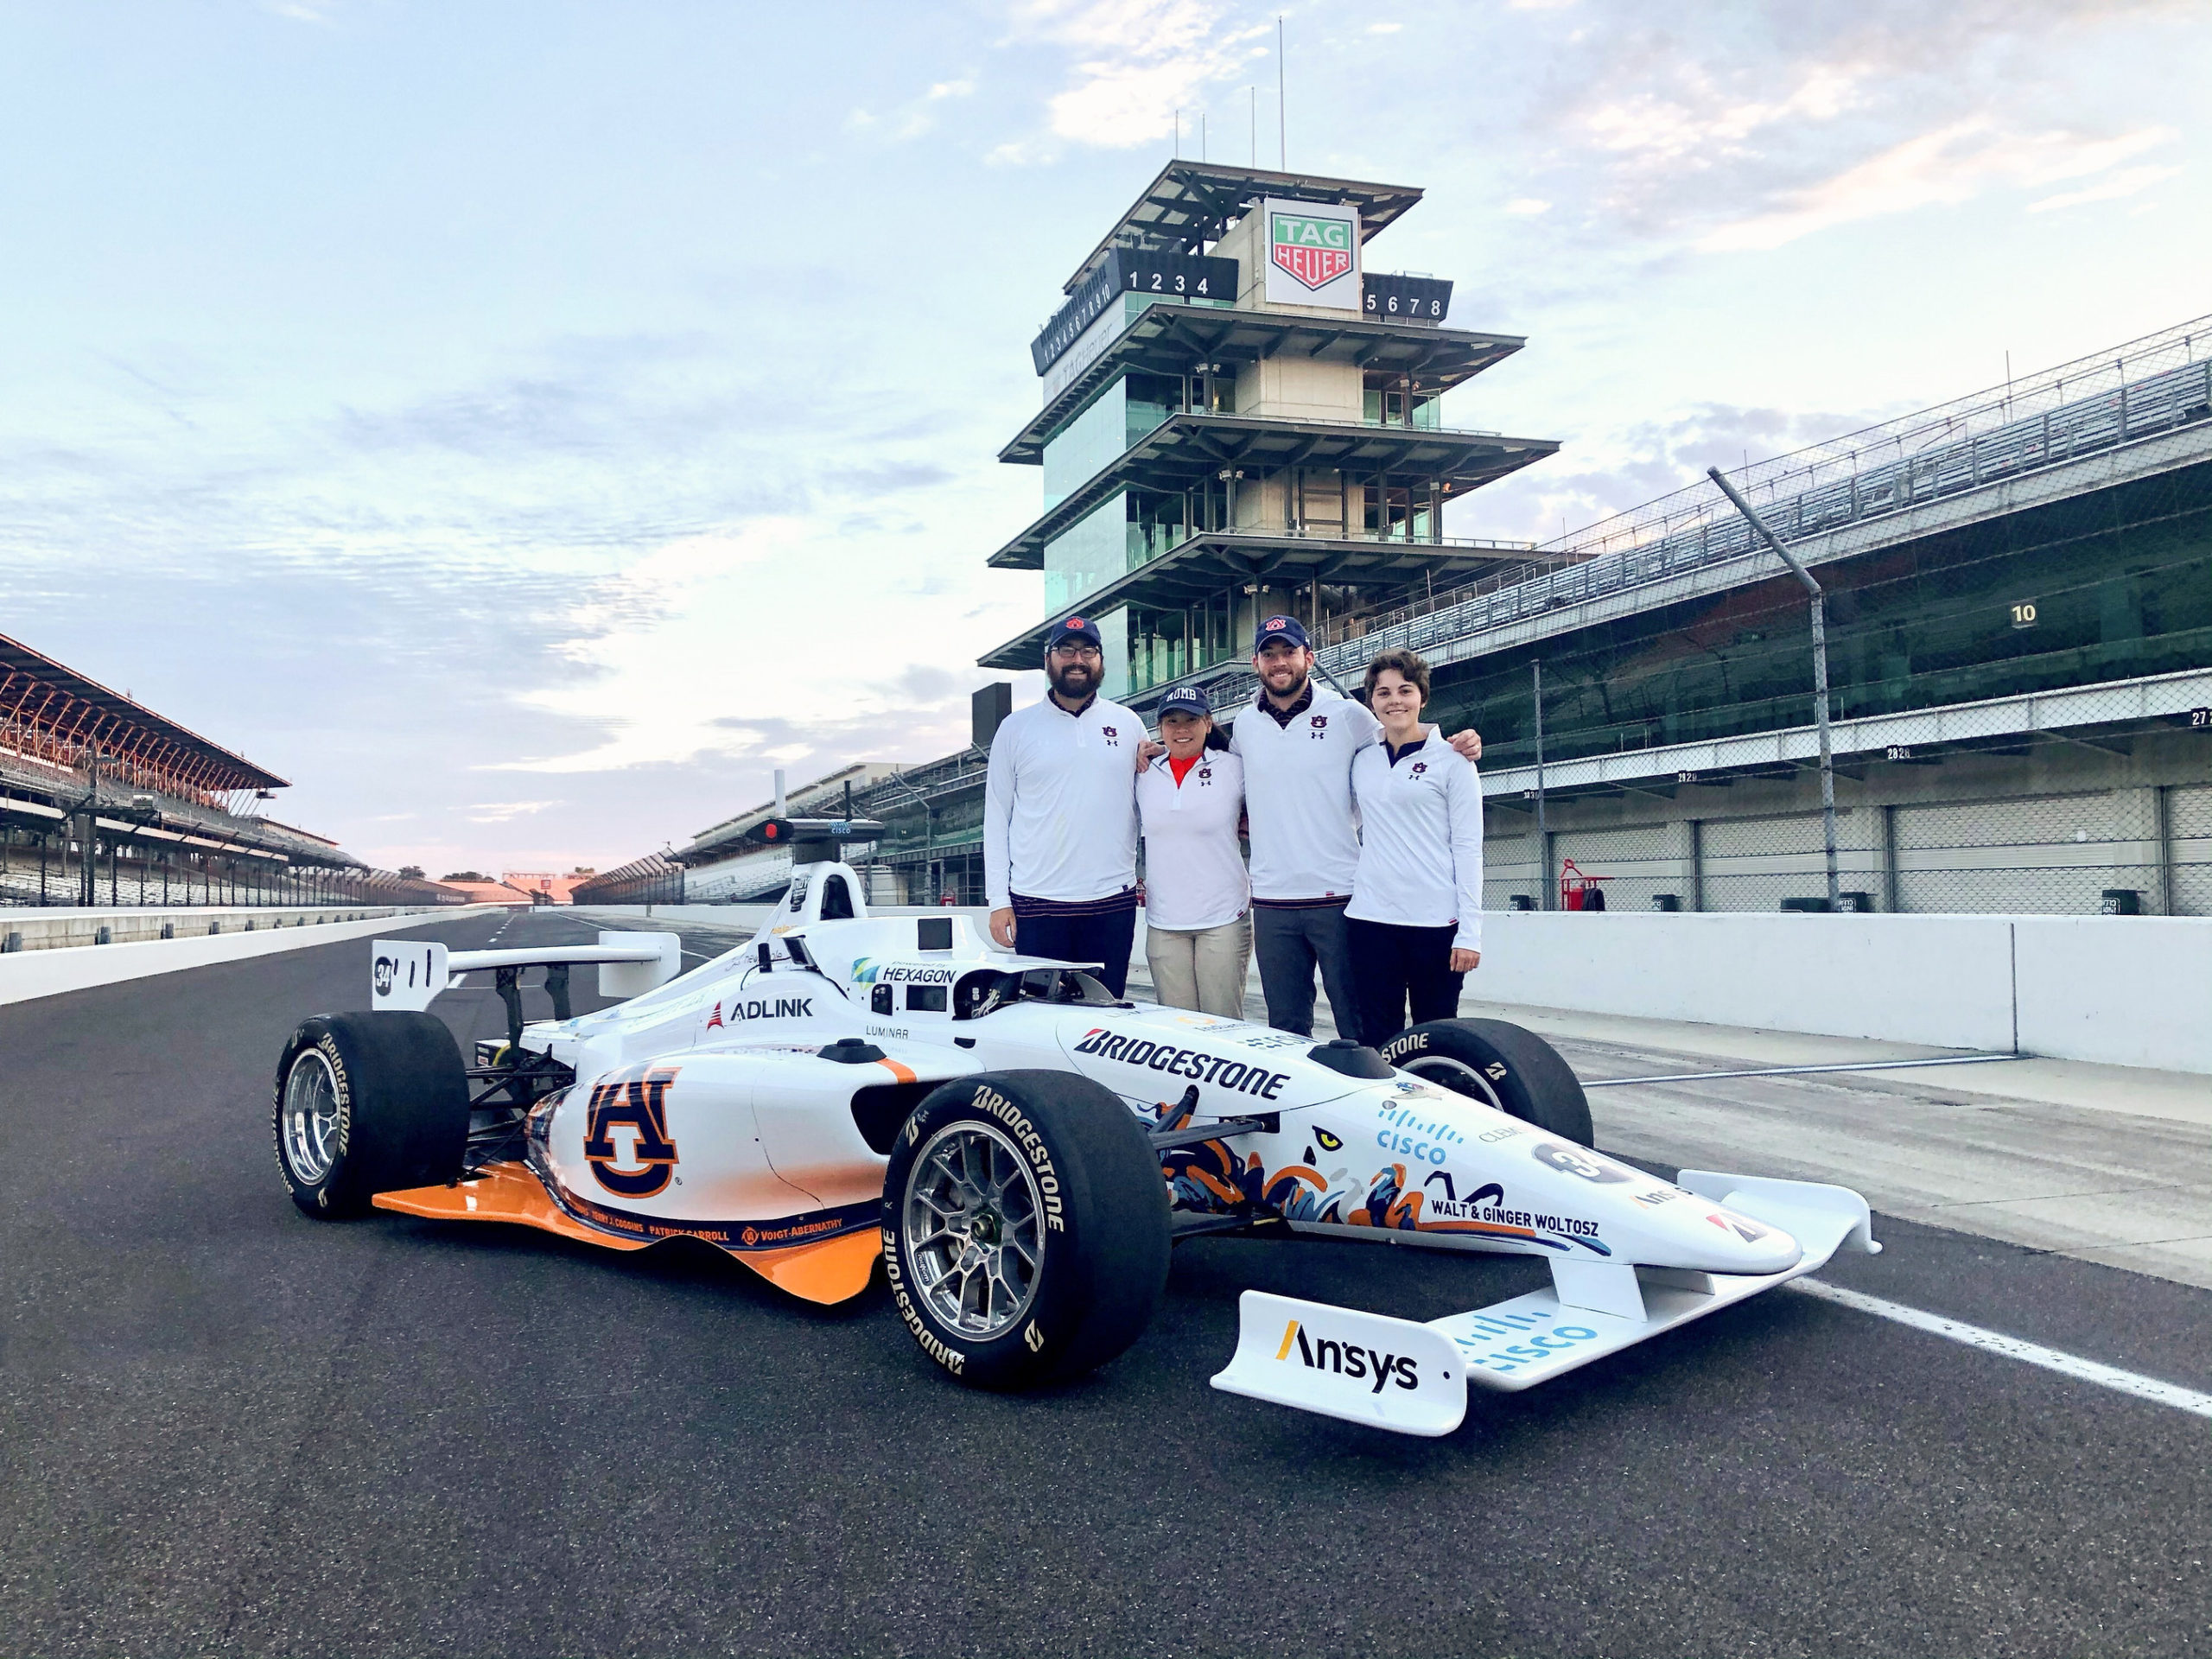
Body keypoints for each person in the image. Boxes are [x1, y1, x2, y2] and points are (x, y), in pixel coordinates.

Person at [1223, 614, 1481, 1043]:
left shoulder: (1349, 716)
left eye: (1289, 652)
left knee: (1360, 1029)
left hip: (1341, 898)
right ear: (1256, 663)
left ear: (1309, 657)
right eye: (1269, 655)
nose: (1280, 662)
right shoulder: (1244, 724)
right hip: (1272, 900)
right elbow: (1225, 773)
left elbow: (1402, 739)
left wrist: (1460, 743)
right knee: (1285, 1031)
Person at [982, 614, 1143, 996]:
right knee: (1040, 1019)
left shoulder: (1128, 723)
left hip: (1110, 903)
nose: (1078, 659)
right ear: (1048, 659)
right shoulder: (1015, 728)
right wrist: (998, 901)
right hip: (1037, 902)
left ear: (1101, 660)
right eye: (1067, 650)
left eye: (1088, 651)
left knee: (1106, 1019)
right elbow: (996, 815)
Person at [1345, 648, 1484, 1045]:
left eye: (1404, 691)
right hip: (1370, 921)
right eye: (1383, 692)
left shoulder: (1454, 760)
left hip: (1435, 924)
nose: (1394, 701)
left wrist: (1470, 932)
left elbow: (1469, 847)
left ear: (1422, 697)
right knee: (1375, 1038)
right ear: (1371, 700)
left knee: (1435, 1036)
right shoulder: (1363, 760)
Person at [1135, 683, 1249, 1017]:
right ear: (1160, 729)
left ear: (1208, 723)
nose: (1181, 729)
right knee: (1177, 1029)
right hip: (1165, 921)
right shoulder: (1143, 773)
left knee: (1224, 1026)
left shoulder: (1232, 767)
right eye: (1172, 722)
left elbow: (1273, 798)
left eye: (1191, 719)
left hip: (1224, 918)